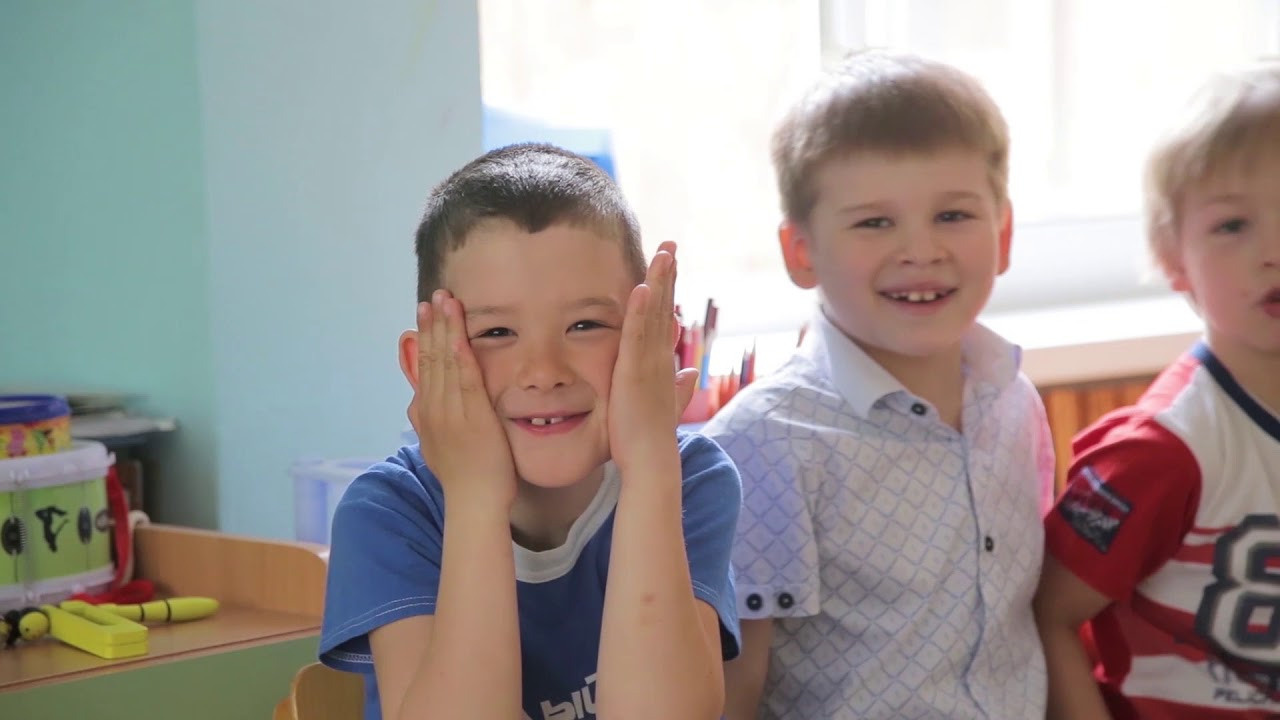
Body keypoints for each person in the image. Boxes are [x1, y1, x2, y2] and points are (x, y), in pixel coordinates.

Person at [318, 143, 742, 720]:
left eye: (585, 324)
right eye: (496, 332)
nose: (544, 371)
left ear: (652, 341)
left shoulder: (689, 477)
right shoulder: (391, 511)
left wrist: (648, 467)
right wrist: (474, 497)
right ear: (427, 365)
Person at [703, 50, 1055, 719]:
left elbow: (1024, 620)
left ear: (1003, 233)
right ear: (801, 252)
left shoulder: (1014, 402)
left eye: (952, 216)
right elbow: (735, 694)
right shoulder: (763, 446)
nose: (920, 250)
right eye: (874, 222)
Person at [1035, 63, 1280, 720]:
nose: (1275, 250)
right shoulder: (1161, 451)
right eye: (1233, 226)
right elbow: (1051, 617)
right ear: (1175, 257)